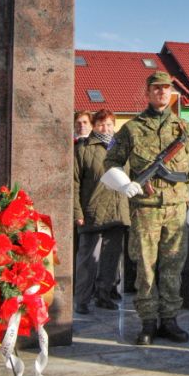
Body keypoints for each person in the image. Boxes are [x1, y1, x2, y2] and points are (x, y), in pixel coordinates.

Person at [102, 71, 189, 345]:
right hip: (145, 209)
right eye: (156, 88)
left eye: (166, 88)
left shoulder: (184, 129)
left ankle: (169, 319)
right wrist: (125, 184)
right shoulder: (131, 129)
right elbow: (110, 162)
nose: (162, 92)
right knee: (146, 267)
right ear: (147, 93)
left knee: (173, 266)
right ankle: (147, 321)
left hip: (176, 208)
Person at [73, 109, 129, 313]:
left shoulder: (122, 148)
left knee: (110, 260)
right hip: (92, 211)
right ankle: (82, 299)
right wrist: (77, 212)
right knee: (87, 260)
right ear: (94, 126)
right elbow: (74, 182)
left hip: (118, 211)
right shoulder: (84, 148)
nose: (105, 128)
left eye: (109, 124)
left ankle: (104, 295)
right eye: (101, 124)